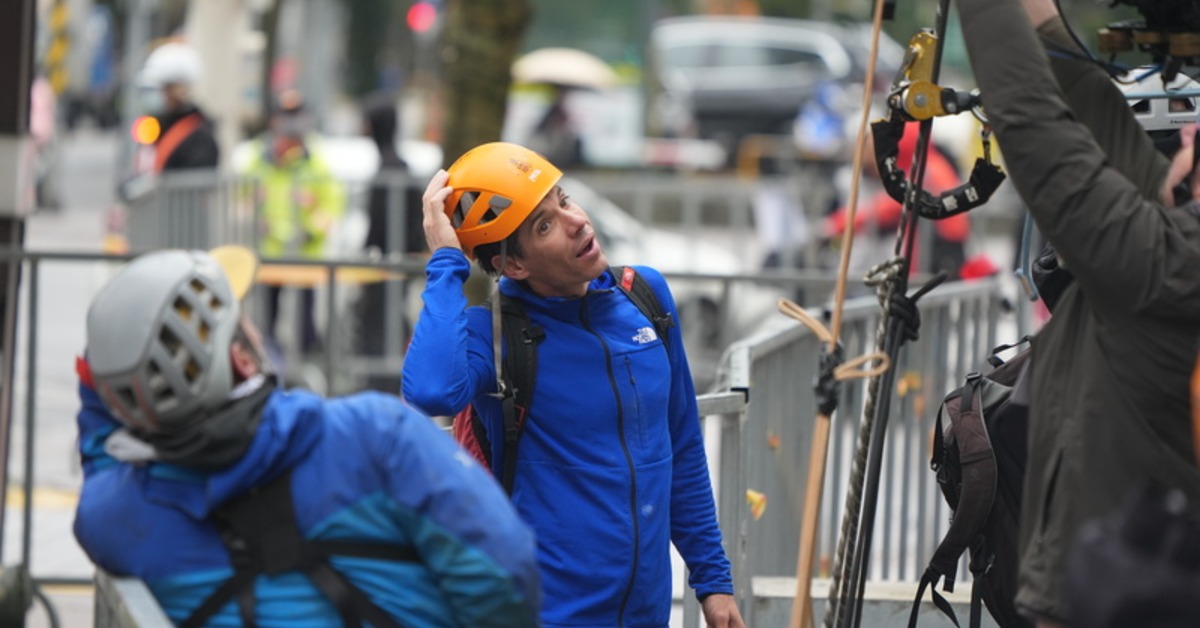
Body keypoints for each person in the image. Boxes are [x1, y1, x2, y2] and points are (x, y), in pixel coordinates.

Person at [73, 245, 541, 626]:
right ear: (241, 359)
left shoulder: (117, 516)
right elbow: (505, 574)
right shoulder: (376, 436)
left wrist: (108, 369)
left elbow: (100, 458)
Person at [401, 142, 746, 627]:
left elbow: (683, 445)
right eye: (545, 225)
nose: (576, 221)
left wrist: (713, 580)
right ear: (514, 267)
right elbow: (431, 390)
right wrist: (445, 262)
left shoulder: (646, 297)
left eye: (563, 200)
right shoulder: (497, 334)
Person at [952, 0, 1200, 624]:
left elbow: (1041, 134)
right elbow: (1098, 116)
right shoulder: (1173, 250)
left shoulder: (1171, 265)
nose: (1188, 132)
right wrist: (1037, 18)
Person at [241, 89, 345, 355]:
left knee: (305, 323)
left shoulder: (316, 162)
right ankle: (267, 363)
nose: (290, 125)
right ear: (274, 120)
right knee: (267, 319)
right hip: (269, 255)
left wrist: (314, 220)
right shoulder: (258, 158)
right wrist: (251, 207)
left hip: (305, 256)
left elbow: (332, 206)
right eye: (285, 117)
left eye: (296, 117)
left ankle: (308, 363)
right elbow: (238, 197)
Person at [358, 93, 425, 391]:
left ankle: (386, 382)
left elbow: (380, 223)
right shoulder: (399, 166)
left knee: (381, 323)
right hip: (394, 264)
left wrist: (367, 251)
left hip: (388, 266)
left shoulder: (390, 169)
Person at [138, 41, 219, 173]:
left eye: (161, 89)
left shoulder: (199, 137)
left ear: (177, 91)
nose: (155, 95)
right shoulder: (157, 127)